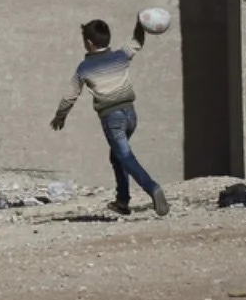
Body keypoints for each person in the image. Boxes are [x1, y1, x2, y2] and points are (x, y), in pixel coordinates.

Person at [51, 19, 169, 217]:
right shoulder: (120, 56)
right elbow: (137, 41)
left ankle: (152, 188)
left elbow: (70, 96)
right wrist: (141, 23)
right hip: (131, 114)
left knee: (124, 156)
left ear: (89, 43)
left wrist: (60, 116)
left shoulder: (84, 67)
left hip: (112, 118)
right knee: (117, 156)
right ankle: (122, 201)